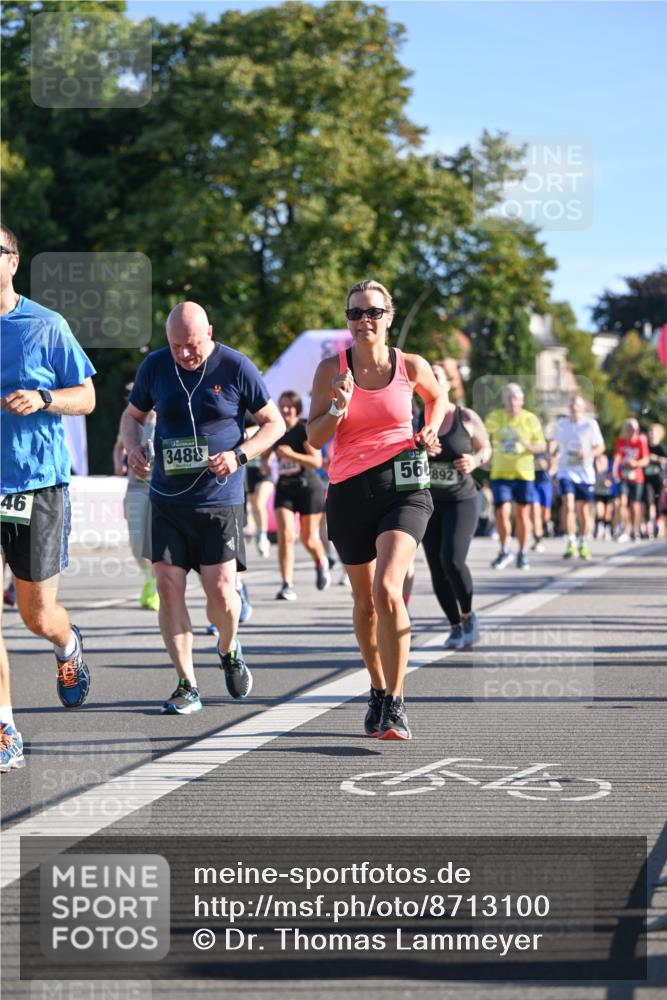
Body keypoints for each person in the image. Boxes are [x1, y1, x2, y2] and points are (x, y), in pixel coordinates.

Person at [120, 301, 284, 715]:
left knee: (222, 592)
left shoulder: (235, 366)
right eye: (176, 346)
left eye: (191, 345)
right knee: (168, 587)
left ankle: (228, 648)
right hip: (167, 499)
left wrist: (239, 456)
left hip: (219, 499)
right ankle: (186, 684)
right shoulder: (156, 367)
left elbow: (274, 424)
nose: (185, 354)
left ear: (209, 332)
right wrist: (133, 446)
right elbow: (132, 415)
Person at [308, 279, 446, 741]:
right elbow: (314, 437)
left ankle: (397, 703)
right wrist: (337, 408)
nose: (364, 320)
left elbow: (438, 397)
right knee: (365, 604)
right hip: (348, 491)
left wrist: (429, 427)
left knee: (389, 589)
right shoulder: (332, 368)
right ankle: (377, 687)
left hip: (404, 486)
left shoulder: (411, 365)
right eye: (355, 313)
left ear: (388, 316)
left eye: (373, 312)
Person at [0, 224, 96, 773]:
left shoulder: (46, 324)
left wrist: (42, 397)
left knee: (37, 614)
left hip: (36, 487)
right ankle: (7, 727)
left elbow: (85, 396)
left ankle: (67, 645)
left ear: (14, 261)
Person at [422, 364, 491, 650]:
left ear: (448, 384)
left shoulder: (466, 416)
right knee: (436, 569)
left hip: (462, 499)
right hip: (428, 502)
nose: (433, 382)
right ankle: (453, 625)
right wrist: (419, 449)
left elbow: (486, 448)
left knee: (451, 559)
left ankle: (468, 616)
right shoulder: (417, 419)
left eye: (437, 377)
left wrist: (474, 461)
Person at [271, 390, 330, 601]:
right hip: (285, 487)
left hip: (308, 487)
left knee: (307, 538)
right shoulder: (276, 430)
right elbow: (268, 453)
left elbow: (316, 462)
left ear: (296, 408)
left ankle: (321, 560)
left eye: (289, 406)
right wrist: (263, 465)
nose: (285, 409)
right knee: (285, 535)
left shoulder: (303, 430)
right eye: (282, 405)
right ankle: (287, 584)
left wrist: (291, 455)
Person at [485, 383, 546, 571]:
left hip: (524, 474)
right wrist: (484, 456)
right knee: (502, 513)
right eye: (509, 398)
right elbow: (483, 438)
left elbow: (542, 446)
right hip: (500, 473)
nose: (512, 402)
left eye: (516, 398)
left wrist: (529, 445)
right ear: (504, 400)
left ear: (522, 401)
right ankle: (504, 550)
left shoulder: (530, 419)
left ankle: (523, 552)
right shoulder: (495, 417)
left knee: (522, 514)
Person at [113, 384, 159, 610]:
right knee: (136, 543)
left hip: (162, 487)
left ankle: (158, 585)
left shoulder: (166, 413)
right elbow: (119, 445)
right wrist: (118, 464)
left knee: (157, 542)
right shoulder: (129, 416)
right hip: (135, 486)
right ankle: (151, 577)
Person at [552, 395, 606, 559]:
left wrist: (589, 453)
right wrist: (550, 450)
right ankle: (571, 541)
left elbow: (601, 447)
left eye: (578, 406)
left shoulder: (590, 425)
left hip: (584, 474)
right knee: (568, 504)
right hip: (566, 471)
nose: (574, 409)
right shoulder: (561, 425)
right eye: (572, 406)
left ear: (583, 409)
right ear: (569, 408)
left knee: (583, 510)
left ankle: (583, 541)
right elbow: (553, 442)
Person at [612, 418, 649, 542]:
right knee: (622, 503)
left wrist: (635, 463)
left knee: (634, 505)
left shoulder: (641, 441)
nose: (631, 431)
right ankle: (624, 529)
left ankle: (635, 529)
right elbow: (617, 457)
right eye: (629, 429)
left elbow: (646, 460)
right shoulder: (620, 441)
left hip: (637, 477)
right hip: (623, 476)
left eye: (633, 429)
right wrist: (614, 470)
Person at [531, 435, 558, 550]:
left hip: (546, 484)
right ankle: (538, 538)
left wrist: (547, 467)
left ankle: (547, 523)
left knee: (545, 515)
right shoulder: (532, 452)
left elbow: (554, 467)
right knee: (535, 511)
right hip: (533, 483)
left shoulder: (550, 453)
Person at [645, 424, 666, 539]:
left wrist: (656, 458)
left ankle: (659, 523)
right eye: (650, 432)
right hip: (647, 478)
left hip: (659, 478)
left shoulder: (661, 447)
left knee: (659, 503)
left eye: (654, 432)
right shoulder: (645, 446)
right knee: (649, 501)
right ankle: (650, 523)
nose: (652, 434)